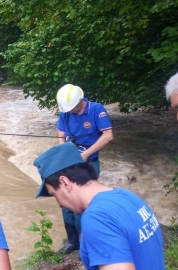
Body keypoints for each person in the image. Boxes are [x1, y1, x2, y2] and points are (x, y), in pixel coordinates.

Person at [34, 143, 165, 269]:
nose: (59, 204)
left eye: (54, 194)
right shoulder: (128, 197)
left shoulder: (97, 218)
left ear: (65, 183)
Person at [55, 84, 113, 254]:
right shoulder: (65, 113)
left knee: (83, 203)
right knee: (66, 201)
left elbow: (108, 135)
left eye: (71, 107)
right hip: (70, 162)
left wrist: (86, 154)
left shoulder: (96, 110)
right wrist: (63, 152)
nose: (69, 110)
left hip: (89, 162)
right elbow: (60, 134)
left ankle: (87, 245)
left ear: (79, 102)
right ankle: (73, 242)